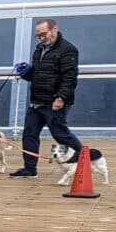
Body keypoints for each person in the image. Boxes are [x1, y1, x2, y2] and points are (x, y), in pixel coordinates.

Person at [9, 18, 83, 178]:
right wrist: (26, 73)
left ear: (54, 29)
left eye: (43, 34)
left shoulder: (68, 50)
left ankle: (85, 160)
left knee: (60, 134)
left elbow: (70, 77)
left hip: (55, 101)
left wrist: (61, 98)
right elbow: (37, 75)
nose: (41, 38)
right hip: (36, 101)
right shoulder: (38, 50)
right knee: (29, 134)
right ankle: (30, 169)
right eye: (38, 36)